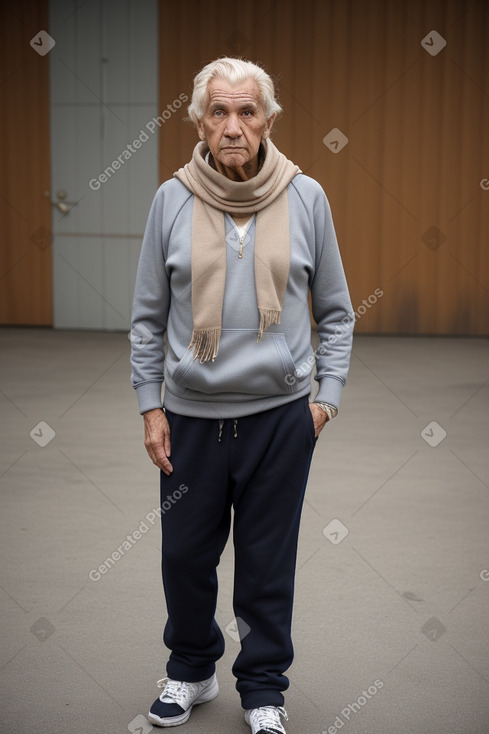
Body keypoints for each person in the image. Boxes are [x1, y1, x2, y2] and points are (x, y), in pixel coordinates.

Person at [130, 57, 354, 734]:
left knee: (266, 562)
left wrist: (325, 398)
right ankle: (192, 670)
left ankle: (261, 690)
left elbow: (337, 312)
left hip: (280, 421)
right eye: (219, 112)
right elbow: (146, 315)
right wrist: (150, 403)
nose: (233, 126)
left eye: (247, 111)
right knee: (184, 557)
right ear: (198, 121)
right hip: (190, 421)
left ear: (268, 120)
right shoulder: (170, 198)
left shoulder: (305, 196)